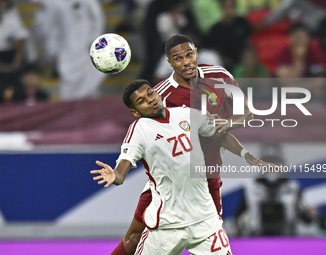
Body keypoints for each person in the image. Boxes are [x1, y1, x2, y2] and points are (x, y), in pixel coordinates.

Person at [91, 79, 276, 254]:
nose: (150, 100)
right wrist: (116, 176)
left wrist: (247, 156)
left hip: (205, 220)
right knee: (133, 238)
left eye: (150, 93)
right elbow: (123, 168)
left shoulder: (187, 113)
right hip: (167, 224)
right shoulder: (140, 129)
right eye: (141, 101)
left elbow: (220, 135)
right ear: (136, 112)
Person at [109, 34, 253, 255]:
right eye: (178, 58)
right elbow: (144, 134)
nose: (186, 62)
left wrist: (222, 126)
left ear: (196, 52)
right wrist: (121, 172)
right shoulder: (161, 94)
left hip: (208, 177)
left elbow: (246, 114)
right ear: (169, 62)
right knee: (135, 236)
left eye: (189, 54)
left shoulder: (219, 75)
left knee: (208, 237)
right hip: (170, 182)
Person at [32, 0, 106, 100]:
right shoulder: (54, 3)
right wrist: (53, 51)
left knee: (91, 85)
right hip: (66, 53)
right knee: (69, 87)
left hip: (87, 50)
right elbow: (50, 28)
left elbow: (97, 18)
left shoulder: (89, 2)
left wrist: (94, 41)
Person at [207, 0, 252, 71]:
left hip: (243, 60)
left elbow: (248, 41)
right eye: (227, 7)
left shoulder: (242, 22)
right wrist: (225, 60)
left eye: (232, 7)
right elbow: (215, 50)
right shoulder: (216, 29)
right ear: (222, 8)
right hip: (225, 64)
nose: (229, 10)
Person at [0, 0, 29, 104]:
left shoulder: (12, 19)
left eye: (2, 3)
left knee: (19, 91)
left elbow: (20, 43)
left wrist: (15, 64)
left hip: (11, 59)